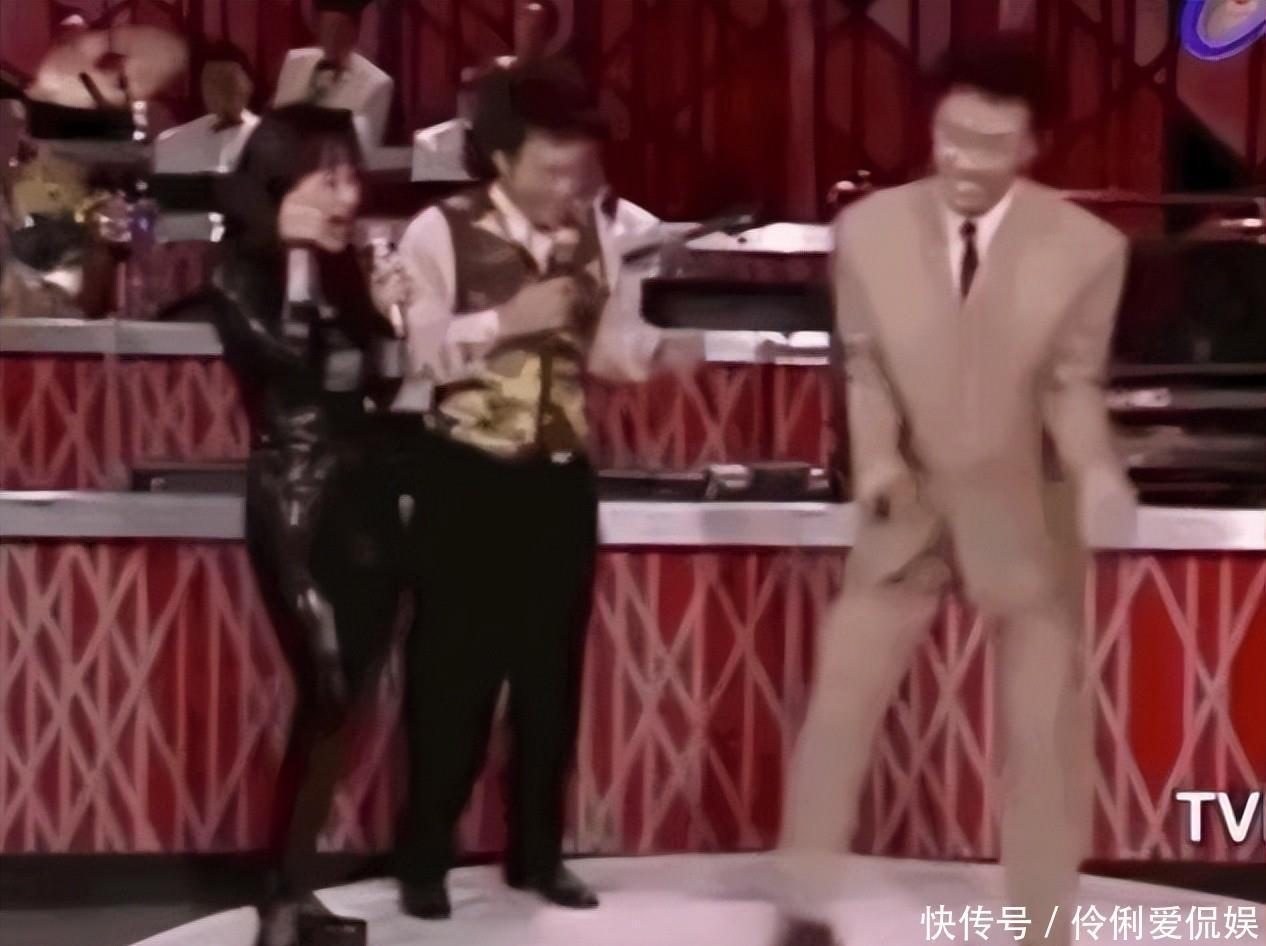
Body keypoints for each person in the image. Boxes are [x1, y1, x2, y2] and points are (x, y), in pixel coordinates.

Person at [773, 36, 1136, 946]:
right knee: (840, 705)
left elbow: (1072, 384)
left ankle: (1043, 924)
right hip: (907, 505)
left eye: (992, 144)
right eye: (952, 137)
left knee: (1043, 733)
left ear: (1032, 145)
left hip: (1027, 512)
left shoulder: (1088, 250)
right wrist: (877, 461)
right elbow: (865, 367)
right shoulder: (868, 232)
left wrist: (1098, 471)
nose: (966, 163)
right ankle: (803, 903)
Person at [379, 56, 702, 920]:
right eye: (552, 170)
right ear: (502, 157)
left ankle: (538, 855)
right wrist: (504, 322)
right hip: (465, 476)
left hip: (558, 481)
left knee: (550, 678)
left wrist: (655, 355)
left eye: (578, 171)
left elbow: (605, 351)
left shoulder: (594, 235)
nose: (569, 188)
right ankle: (425, 857)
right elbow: (416, 354)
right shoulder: (438, 232)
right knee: (452, 674)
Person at [201, 104, 407, 946]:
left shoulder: (346, 271)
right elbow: (293, 361)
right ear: (278, 182)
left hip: (367, 499)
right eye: (329, 178)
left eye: (353, 177)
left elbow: (384, 380)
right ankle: (280, 901)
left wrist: (389, 318)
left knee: (348, 698)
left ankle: (291, 889)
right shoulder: (235, 274)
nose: (347, 196)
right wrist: (298, 265)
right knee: (325, 689)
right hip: (296, 500)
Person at [272, 0, 392, 148]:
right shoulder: (295, 63)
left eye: (339, 29)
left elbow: (364, 151)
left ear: (353, 33)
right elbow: (275, 127)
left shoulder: (376, 84)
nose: (332, 37)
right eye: (327, 27)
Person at [154, 40, 259, 174]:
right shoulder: (170, 142)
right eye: (211, 81)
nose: (219, 90)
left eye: (228, 80)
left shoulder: (270, 142)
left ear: (249, 85)